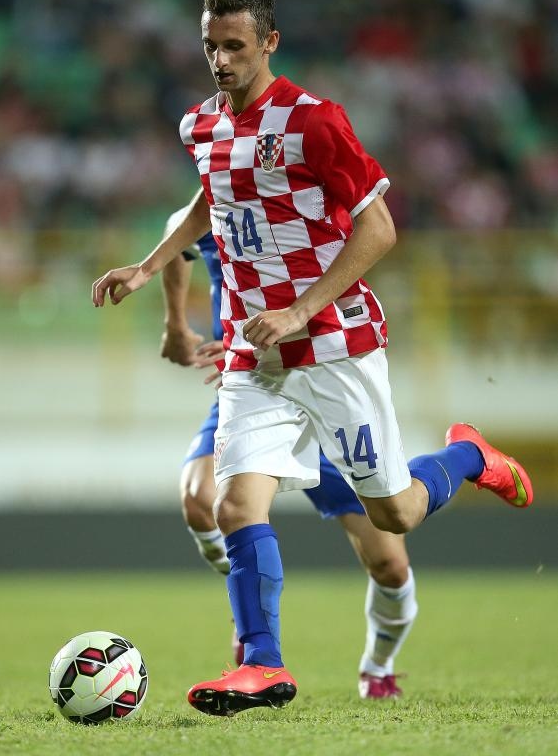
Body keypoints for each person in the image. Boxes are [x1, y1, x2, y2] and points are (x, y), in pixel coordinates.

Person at [92, 0, 533, 717]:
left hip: (335, 345)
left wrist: (299, 310)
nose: (220, 61)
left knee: (394, 514)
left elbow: (379, 228)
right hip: (254, 358)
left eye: (234, 46)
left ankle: (468, 455)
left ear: (268, 41)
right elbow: (208, 201)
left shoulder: (314, 122)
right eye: (210, 47)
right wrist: (148, 266)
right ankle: (262, 664)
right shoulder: (200, 125)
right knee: (236, 506)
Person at [160, 208, 418, 699]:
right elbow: (177, 239)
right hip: (258, 388)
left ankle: (378, 667)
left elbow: (373, 239)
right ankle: (251, 620)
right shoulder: (219, 203)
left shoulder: (302, 203)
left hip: (327, 391)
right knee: (202, 497)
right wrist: (176, 325)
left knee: (390, 558)